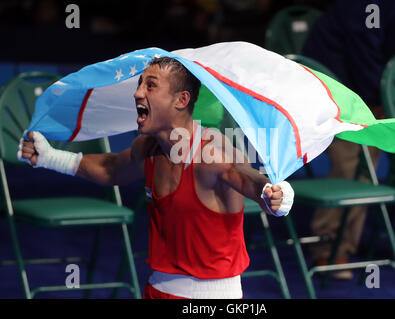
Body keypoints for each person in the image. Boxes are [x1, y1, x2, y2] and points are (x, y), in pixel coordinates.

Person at [17, 57, 295, 299]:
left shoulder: (214, 152)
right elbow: (112, 168)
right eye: (139, 84)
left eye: (150, 86)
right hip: (157, 287)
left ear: (181, 100)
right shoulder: (147, 148)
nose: (138, 93)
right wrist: (49, 157)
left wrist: (272, 194)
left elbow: (246, 178)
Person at [301, 0, 395, 279]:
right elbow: (361, 48)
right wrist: (375, 101)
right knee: (360, 148)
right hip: (343, 86)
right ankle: (331, 245)